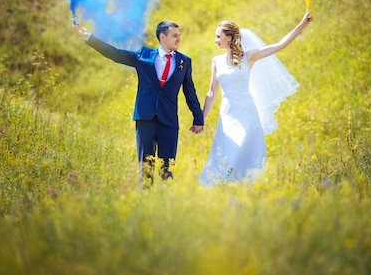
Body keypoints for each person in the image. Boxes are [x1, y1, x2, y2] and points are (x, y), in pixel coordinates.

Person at [74, 20, 204, 185]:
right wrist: (88, 37)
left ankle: (167, 205)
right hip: (145, 119)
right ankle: (144, 203)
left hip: (169, 121)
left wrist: (198, 119)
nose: (179, 39)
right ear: (162, 37)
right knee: (145, 169)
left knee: (167, 168)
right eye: (175, 35)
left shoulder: (184, 62)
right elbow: (114, 53)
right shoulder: (143, 55)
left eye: (179, 36)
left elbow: (190, 92)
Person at [199, 10, 312, 185]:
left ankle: (247, 187)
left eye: (218, 36)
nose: (215, 40)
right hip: (227, 115)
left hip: (247, 113)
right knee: (226, 151)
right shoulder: (216, 61)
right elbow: (211, 92)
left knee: (244, 151)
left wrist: (301, 25)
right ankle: (221, 188)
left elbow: (280, 45)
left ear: (228, 38)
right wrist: (201, 119)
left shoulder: (249, 57)